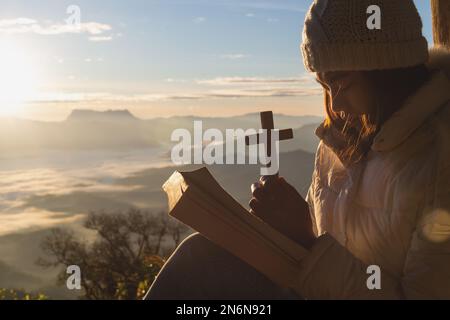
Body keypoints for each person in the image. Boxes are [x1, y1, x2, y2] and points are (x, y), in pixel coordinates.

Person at [146, 0, 450, 299]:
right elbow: (322, 237)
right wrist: (279, 230)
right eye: (323, 85)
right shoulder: (341, 142)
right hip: (312, 287)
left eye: (341, 83)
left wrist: (307, 243)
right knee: (198, 256)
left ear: (384, 68)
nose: (335, 104)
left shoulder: (438, 159)